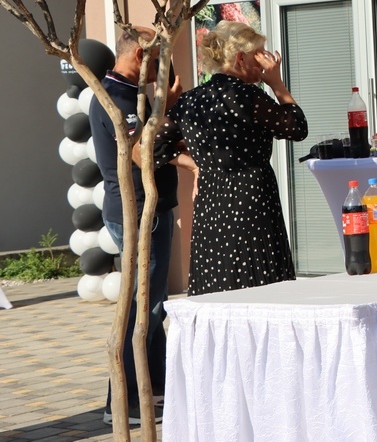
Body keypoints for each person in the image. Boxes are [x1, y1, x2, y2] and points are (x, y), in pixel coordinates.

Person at [154, 21, 308, 296]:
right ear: (240, 58)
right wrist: (277, 84)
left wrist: (197, 165)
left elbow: (152, 146)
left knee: (218, 279)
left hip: (211, 201)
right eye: (259, 55)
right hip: (252, 197)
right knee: (259, 279)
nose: (264, 64)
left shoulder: (190, 101)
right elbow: (296, 128)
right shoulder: (248, 96)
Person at [89, 27, 195, 425]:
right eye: (157, 58)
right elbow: (140, 152)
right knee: (142, 308)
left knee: (152, 304)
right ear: (138, 55)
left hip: (149, 209)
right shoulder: (116, 98)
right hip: (137, 214)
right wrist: (169, 115)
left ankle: (156, 389)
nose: (161, 67)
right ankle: (122, 402)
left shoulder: (131, 93)